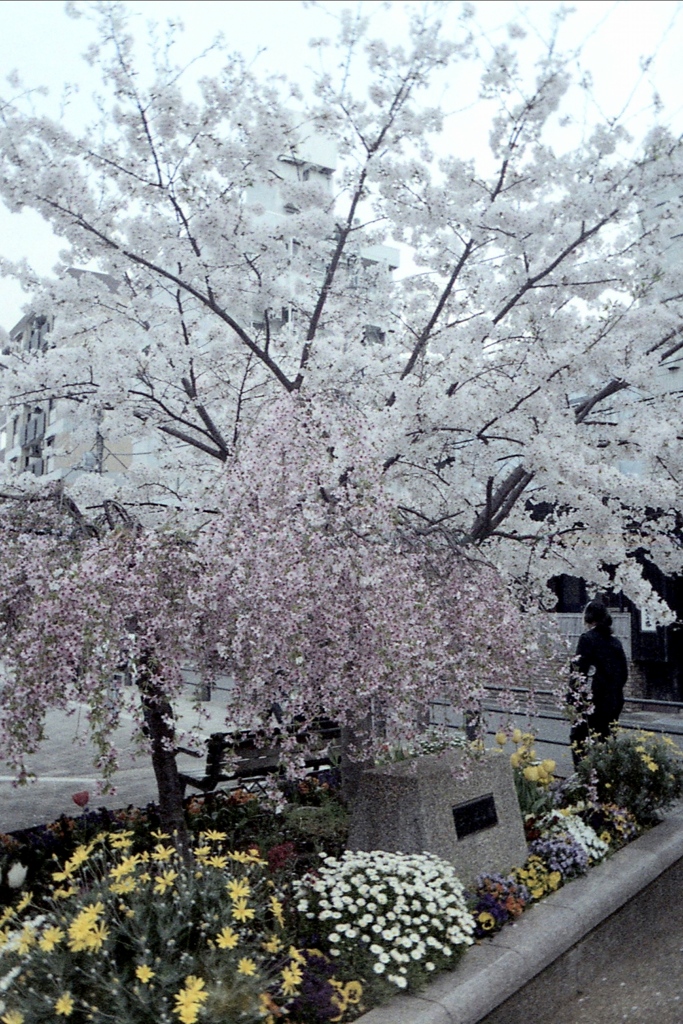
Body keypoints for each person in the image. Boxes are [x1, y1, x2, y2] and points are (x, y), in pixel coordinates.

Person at [569, 599, 628, 767]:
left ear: (588, 618)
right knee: (606, 739)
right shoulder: (615, 642)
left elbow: (579, 671)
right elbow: (623, 673)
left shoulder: (588, 639)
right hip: (614, 700)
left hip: (593, 700)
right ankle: (606, 778)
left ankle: (584, 778)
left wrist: (574, 699)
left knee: (579, 739)